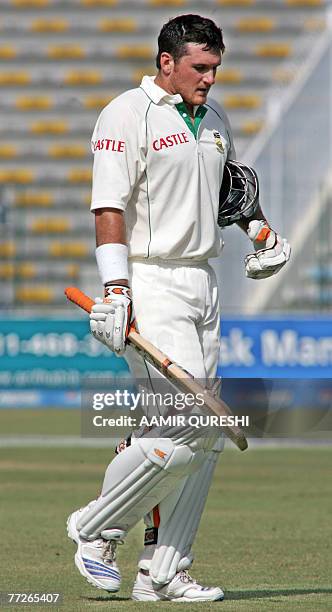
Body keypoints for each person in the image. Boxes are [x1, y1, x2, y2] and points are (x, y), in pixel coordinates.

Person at [67, 14, 290, 602]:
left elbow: (228, 192)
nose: (211, 78)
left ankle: (162, 574)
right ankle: (96, 529)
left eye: (216, 67)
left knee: (204, 436)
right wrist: (116, 290)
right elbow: (108, 205)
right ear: (166, 62)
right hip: (151, 280)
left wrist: (261, 233)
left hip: (204, 281)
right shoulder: (126, 113)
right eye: (200, 67)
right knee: (189, 428)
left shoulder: (215, 118)